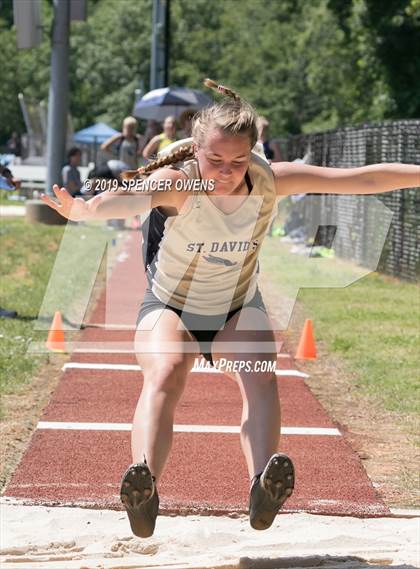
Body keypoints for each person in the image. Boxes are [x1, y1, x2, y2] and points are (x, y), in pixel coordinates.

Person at [41, 78, 420, 538]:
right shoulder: (178, 183)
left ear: (252, 154)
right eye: (215, 160)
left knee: (261, 373)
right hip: (170, 307)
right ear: (196, 152)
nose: (225, 171)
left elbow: (361, 180)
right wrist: (86, 210)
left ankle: (263, 485)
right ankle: (144, 486)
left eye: (237, 161)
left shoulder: (270, 180)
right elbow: (123, 199)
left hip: (236, 307)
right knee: (165, 373)